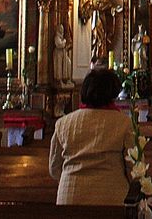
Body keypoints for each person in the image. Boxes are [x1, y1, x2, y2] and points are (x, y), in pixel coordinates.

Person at [49, 69, 132, 205]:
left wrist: (71, 177)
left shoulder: (63, 123)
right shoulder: (123, 123)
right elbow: (132, 166)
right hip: (110, 198)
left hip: (70, 197)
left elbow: (54, 167)